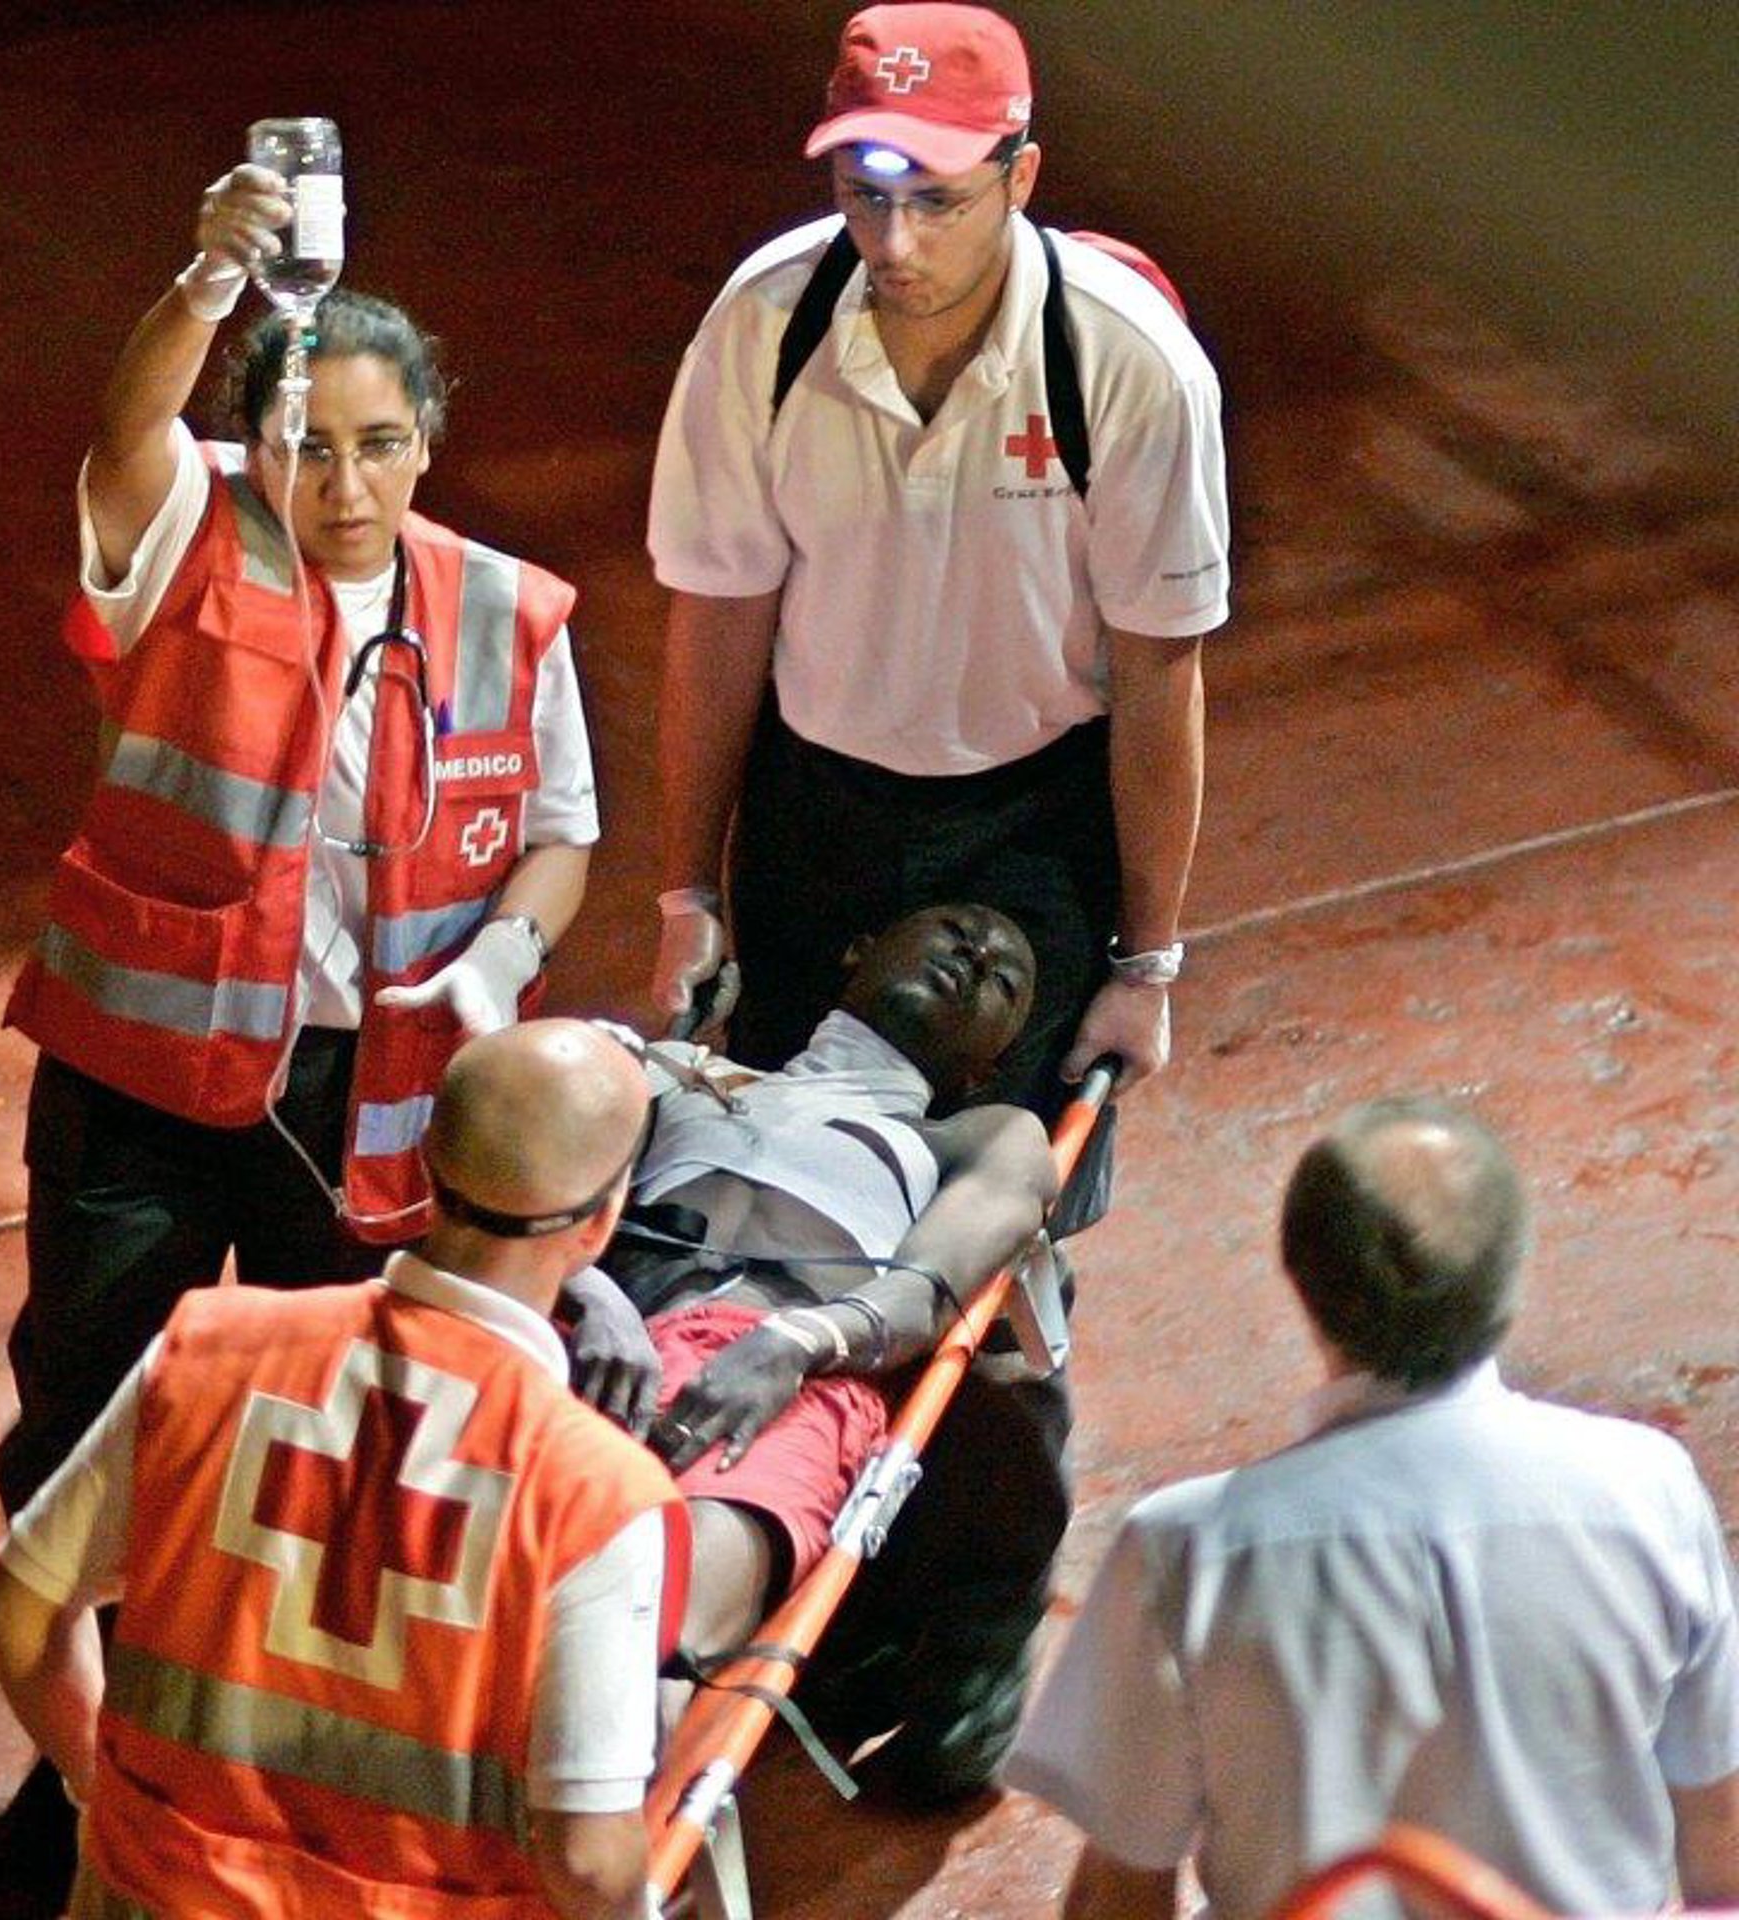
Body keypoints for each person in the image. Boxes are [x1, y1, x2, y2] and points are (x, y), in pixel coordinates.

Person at [0, 161, 600, 1518]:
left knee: (319, 1447)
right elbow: (127, 429)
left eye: (377, 443)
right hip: (143, 1081)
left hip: (361, 1103)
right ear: (255, 447)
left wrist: (504, 956)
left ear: (427, 440)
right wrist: (211, 277)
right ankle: (79, 1655)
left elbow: (561, 835)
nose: (343, 483)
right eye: (304, 445)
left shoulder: (506, 612)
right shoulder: (191, 534)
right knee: (88, 1421)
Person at [646, 1, 1229, 1146]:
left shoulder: (1127, 363)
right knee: (783, 1163)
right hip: (813, 815)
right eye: (864, 196)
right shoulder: (763, 326)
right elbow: (718, 616)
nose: (896, 244)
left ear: (1021, 178)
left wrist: (1147, 963)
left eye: (938, 202)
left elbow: (1161, 668)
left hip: (1031, 826)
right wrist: (688, 895)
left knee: (998, 1182)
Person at [0, 1021, 685, 1920]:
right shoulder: (595, 1495)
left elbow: (17, 1611)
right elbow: (587, 1862)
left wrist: (102, 1797)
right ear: (599, 1224)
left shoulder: (208, 1352)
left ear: (424, 1164)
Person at [1003, 1096, 1739, 1920]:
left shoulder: (1185, 1551)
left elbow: (1124, 1890)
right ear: (1512, 1279)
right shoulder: (1648, 1490)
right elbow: (1721, 1847)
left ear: (1302, 1282)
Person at [568, 903, 1062, 1797]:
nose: (975, 956)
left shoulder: (975, 1137)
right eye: (955, 931)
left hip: (786, 1374)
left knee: (642, 1641)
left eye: (1004, 979)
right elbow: (533, 1189)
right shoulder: (675, 1075)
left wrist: (800, 1341)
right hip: (598, 1336)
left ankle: (606, 1822)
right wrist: (587, 1287)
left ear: (986, 1067)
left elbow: (922, 1290)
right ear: (859, 946)